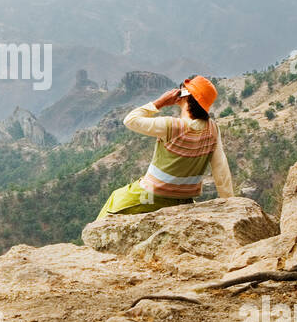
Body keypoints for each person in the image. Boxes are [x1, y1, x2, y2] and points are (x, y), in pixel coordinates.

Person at [95, 75, 233, 218]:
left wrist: (159, 103)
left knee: (116, 199)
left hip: (152, 196)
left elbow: (130, 120)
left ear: (186, 96)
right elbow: (220, 169)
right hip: (183, 200)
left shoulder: (171, 126)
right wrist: (229, 202)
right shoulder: (212, 129)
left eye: (182, 90)